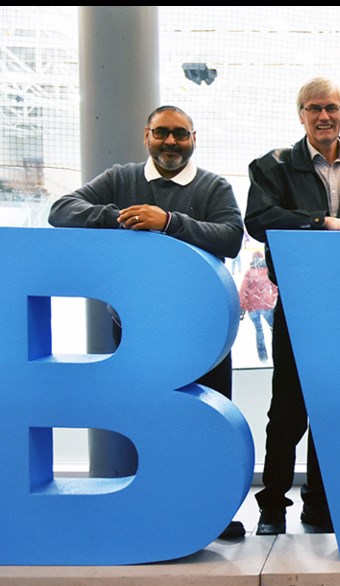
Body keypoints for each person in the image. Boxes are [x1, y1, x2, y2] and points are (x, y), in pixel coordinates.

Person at [48, 104, 247, 539]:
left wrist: (169, 222)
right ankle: (152, 517)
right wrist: (125, 218)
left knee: (203, 428)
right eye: (162, 133)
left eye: (180, 134)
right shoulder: (121, 180)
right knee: (146, 426)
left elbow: (232, 236)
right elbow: (61, 210)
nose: (170, 142)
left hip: (203, 333)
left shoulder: (213, 186)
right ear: (146, 136)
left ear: (195, 138)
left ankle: (209, 515)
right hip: (136, 336)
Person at [245, 77, 340, 535]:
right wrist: (323, 222)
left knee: (332, 408)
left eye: (332, 108)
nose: (324, 116)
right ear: (301, 115)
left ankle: (319, 505)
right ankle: (272, 506)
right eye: (314, 108)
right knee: (288, 410)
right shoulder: (272, 167)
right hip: (299, 305)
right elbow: (259, 220)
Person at [239, 250, 278, 362]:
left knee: (259, 331)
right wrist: (271, 299)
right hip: (266, 305)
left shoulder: (249, 273)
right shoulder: (267, 271)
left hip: (253, 307)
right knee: (273, 330)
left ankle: (263, 357)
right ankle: (275, 355)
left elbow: (243, 290)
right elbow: (275, 287)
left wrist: (243, 306)